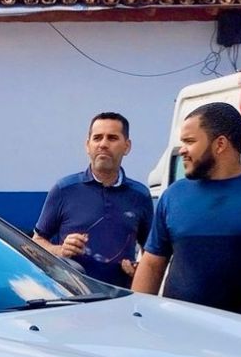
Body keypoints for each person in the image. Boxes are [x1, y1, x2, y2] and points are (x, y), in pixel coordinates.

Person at [133, 102, 241, 312]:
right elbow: (152, 265)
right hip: (179, 332)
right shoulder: (173, 195)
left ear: (220, 144)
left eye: (189, 141)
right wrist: (136, 315)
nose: (182, 150)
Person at [33, 111, 153, 289]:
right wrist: (60, 251)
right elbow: (35, 243)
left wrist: (139, 270)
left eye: (112, 138)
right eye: (97, 138)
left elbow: (152, 253)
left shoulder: (140, 195)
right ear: (87, 145)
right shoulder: (64, 189)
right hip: (72, 299)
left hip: (121, 300)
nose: (103, 144)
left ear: (127, 146)